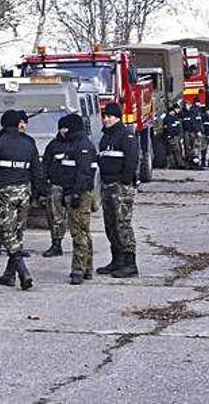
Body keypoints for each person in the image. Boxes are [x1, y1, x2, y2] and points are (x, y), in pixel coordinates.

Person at [0, 110, 45, 290]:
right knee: (17, 232)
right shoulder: (29, 143)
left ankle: (23, 271)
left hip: (4, 192)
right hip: (24, 192)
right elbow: (37, 171)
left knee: (6, 232)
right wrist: (39, 192)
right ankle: (9, 275)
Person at [96, 102, 140, 278]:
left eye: (109, 117)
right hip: (107, 186)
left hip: (120, 187)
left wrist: (125, 182)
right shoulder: (106, 137)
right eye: (104, 117)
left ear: (118, 118)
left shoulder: (126, 136)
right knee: (110, 225)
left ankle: (130, 263)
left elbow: (132, 161)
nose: (106, 120)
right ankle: (117, 260)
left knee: (122, 225)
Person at [55, 114, 98, 285]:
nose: (62, 131)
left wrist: (76, 194)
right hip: (72, 192)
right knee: (83, 232)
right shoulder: (73, 145)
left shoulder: (82, 146)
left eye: (64, 128)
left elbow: (84, 173)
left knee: (79, 233)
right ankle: (87, 268)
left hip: (79, 195)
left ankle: (78, 270)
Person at [41, 116, 72, 257]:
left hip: (73, 187)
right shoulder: (53, 145)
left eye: (66, 127)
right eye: (61, 128)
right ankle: (56, 244)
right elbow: (45, 165)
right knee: (54, 216)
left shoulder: (78, 144)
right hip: (56, 186)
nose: (64, 131)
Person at [162, 104, 185, 169]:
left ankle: (177, 164)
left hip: (176, 136)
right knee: (175, 150)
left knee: (177, 150)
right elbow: (168, 128)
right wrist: (170, 136)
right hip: (172, 137)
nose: (177, 110)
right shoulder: (168, 119)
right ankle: (176, 164)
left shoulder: (175, 117)